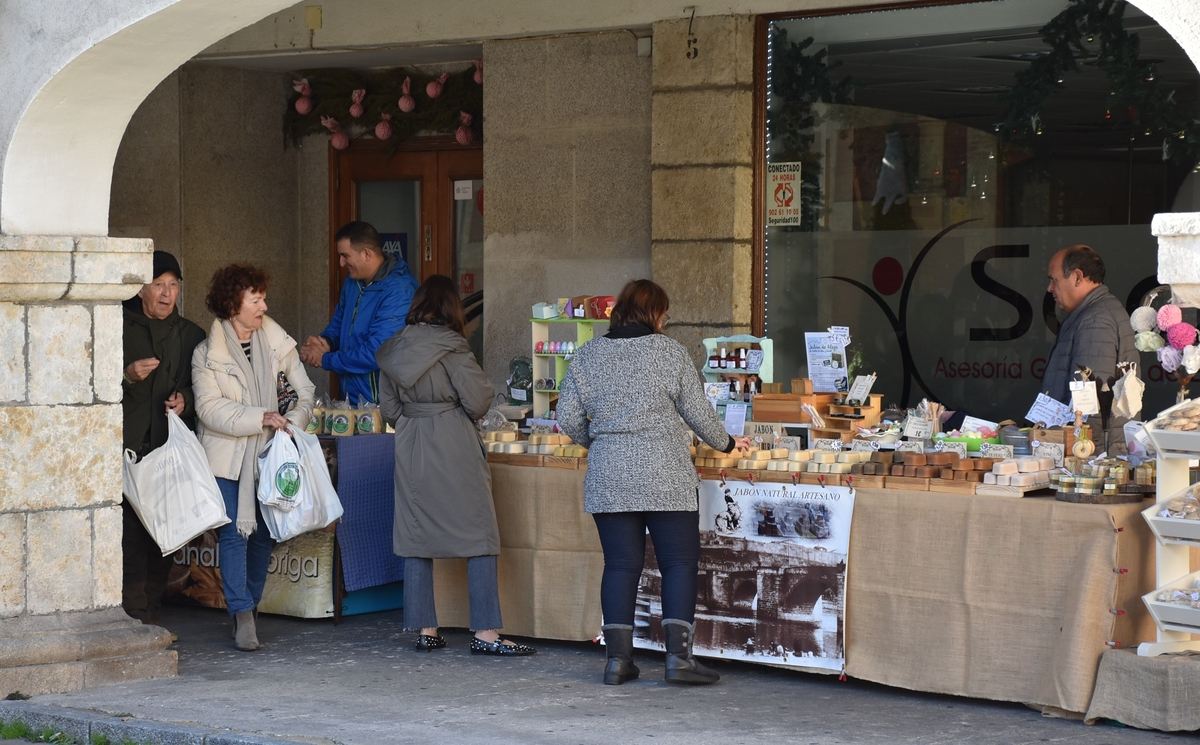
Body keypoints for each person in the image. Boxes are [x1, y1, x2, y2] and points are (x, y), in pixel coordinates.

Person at [556, 279, 752, 686]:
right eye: (664, 314)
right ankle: (679, 660)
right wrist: (729, 443)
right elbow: (698, 414)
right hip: (667, 474)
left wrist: (604, 442)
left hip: (610, 475)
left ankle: (617, 663)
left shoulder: (589, 354)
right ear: (655, 314)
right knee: (678, 563)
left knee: (621, 565)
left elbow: (569, 418)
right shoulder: (670, 352)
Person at [375, 274, 535, 657]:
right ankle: (486, 633)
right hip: (453, 441)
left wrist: (418, 417)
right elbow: (480, 401)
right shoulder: (453, 347)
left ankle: (426, 629)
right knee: (480, 533)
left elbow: (390, 410)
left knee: (416, 535)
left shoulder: (393, 349)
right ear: (451, 308)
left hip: (411, 442)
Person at [192, 264, 315, 651]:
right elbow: (209, 409)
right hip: (226, 458)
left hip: (270, 455)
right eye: (255, 299)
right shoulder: (207, 353)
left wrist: (288, 423)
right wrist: (258, 417)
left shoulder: (277, 342)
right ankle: (242, 614)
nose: (264, 305)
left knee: (264, 536)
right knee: (234, 533)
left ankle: (250, 605)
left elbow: (305, 392)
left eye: (263, 297)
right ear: (233, 304)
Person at [121, 250, 206, 628]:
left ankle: (151, 615)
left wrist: (185, 398)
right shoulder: (117, 326)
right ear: (142, 289)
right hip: (127, 450)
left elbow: (205, 387)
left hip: (168, 452)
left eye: (173, 285)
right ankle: (131, 615)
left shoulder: (192, 335)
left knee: (164, 534)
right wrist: (126, 375)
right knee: (130, 539)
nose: (166, 293)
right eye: (159, 284)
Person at [300, 221, 418, 404]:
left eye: (345, 256)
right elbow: (340, 320)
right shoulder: (353, 281)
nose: (341, 263)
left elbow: (377, 352)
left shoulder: (399, 291)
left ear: (366, 254)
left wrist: (325, 358)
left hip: (385, 406)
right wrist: (326, 341)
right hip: (353, 400)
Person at [1042, 245, 1139, 449]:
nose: (1049, 288)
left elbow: (1089, 401)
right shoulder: (1093, 313)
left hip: (1090, 455)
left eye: (1054, 280)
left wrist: (1079, 453)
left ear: (1077, 277)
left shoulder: (1095, 320)